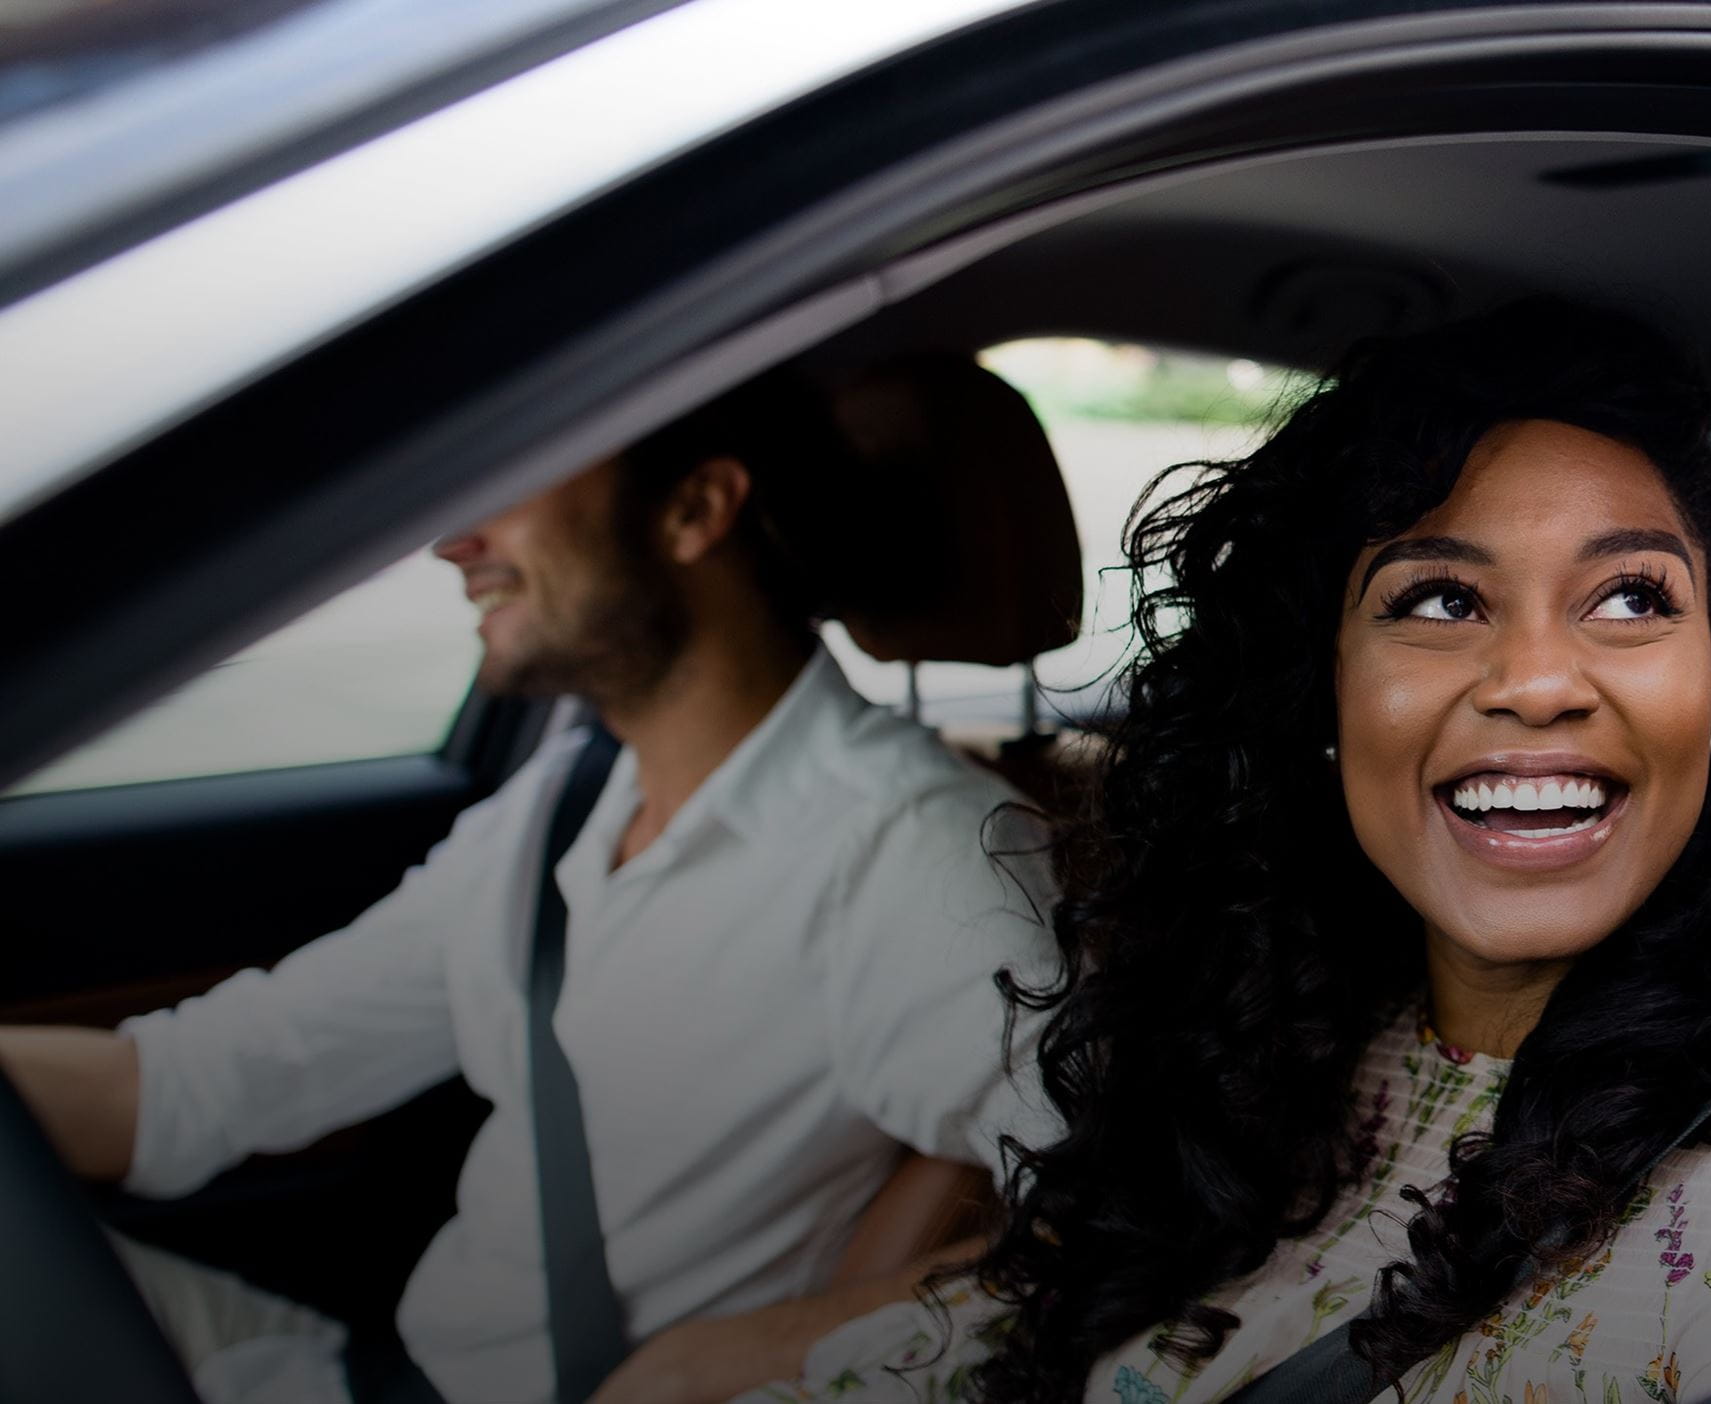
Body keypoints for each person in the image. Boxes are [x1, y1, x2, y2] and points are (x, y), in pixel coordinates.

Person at [745, 301, 1711, 1404]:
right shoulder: (1266, 1062)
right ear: (1320, 699)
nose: (1539, 681)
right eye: (1440, 601)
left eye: (1631, 598)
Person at [0, 372, 1055, 1404]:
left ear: (694, 510)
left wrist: (727, 1362)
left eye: (516, 477)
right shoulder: (564, 802)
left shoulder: (912, 848)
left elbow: (1115, 1227)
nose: (453, 543)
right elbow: (190, 1086)